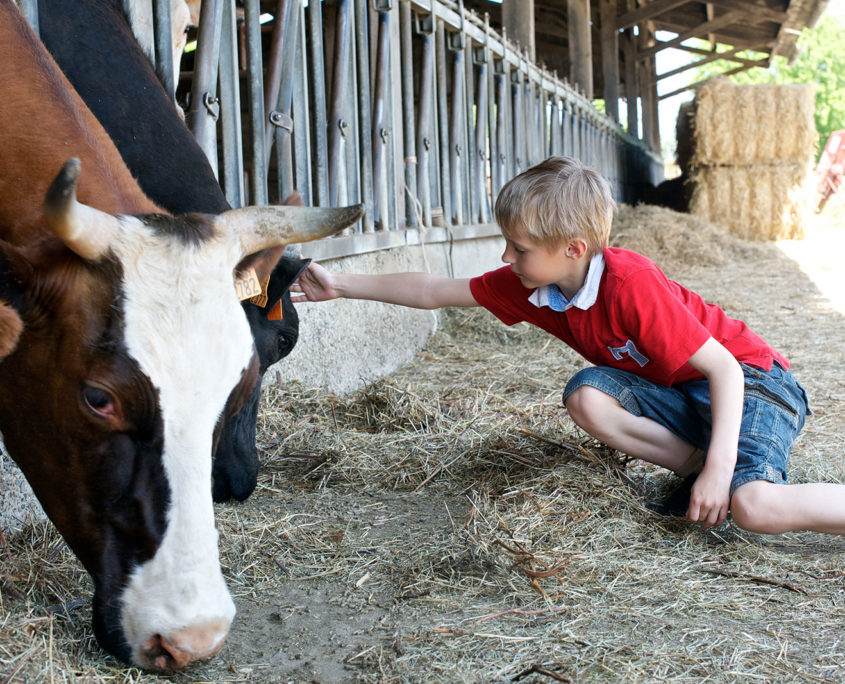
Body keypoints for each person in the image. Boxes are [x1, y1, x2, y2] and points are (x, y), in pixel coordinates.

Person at [291, 155, 845, 536]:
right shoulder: (535, 285)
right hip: (684, 395)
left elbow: (723, 368)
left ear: (573, 248)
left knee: (752, 506)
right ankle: (700, 470)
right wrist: (340, 285)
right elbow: (435, 290)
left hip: (752, 385)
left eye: (520, 248)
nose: (507, 259)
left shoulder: (629, 283)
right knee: (587, 395)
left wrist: (724, 470)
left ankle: (721, 477)